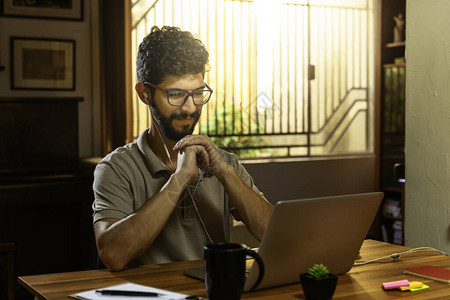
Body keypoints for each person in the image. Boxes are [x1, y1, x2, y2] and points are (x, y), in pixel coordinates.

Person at [92, 25, 273, 271]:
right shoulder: (116, 168)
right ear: (145, 93)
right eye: (176, 94)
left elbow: (273, 234)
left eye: (198, 93)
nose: (190, 108)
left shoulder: (224, 163)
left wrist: (225, 174)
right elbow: (112, 254)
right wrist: (179, 180)